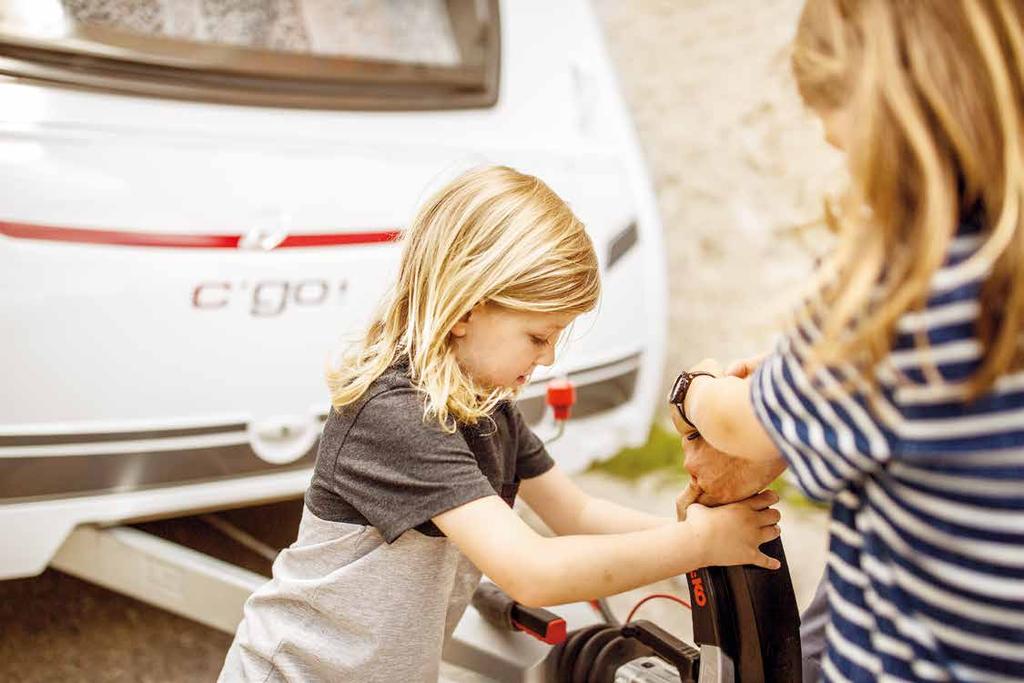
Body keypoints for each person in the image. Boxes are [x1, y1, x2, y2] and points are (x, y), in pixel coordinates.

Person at [218, 166, 781, 682]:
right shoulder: (395, 416)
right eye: (538, 337)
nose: (549, 358)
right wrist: (697, 545)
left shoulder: (488, 410)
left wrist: (686, 531)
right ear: (466, 309)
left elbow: (577, 514)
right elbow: (531, 572)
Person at [670, 1, 1024, 680]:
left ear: (891, 120)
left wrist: (699, 390)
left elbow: (743, 425)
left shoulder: (896, 301)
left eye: (844, 147)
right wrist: (799, 385)